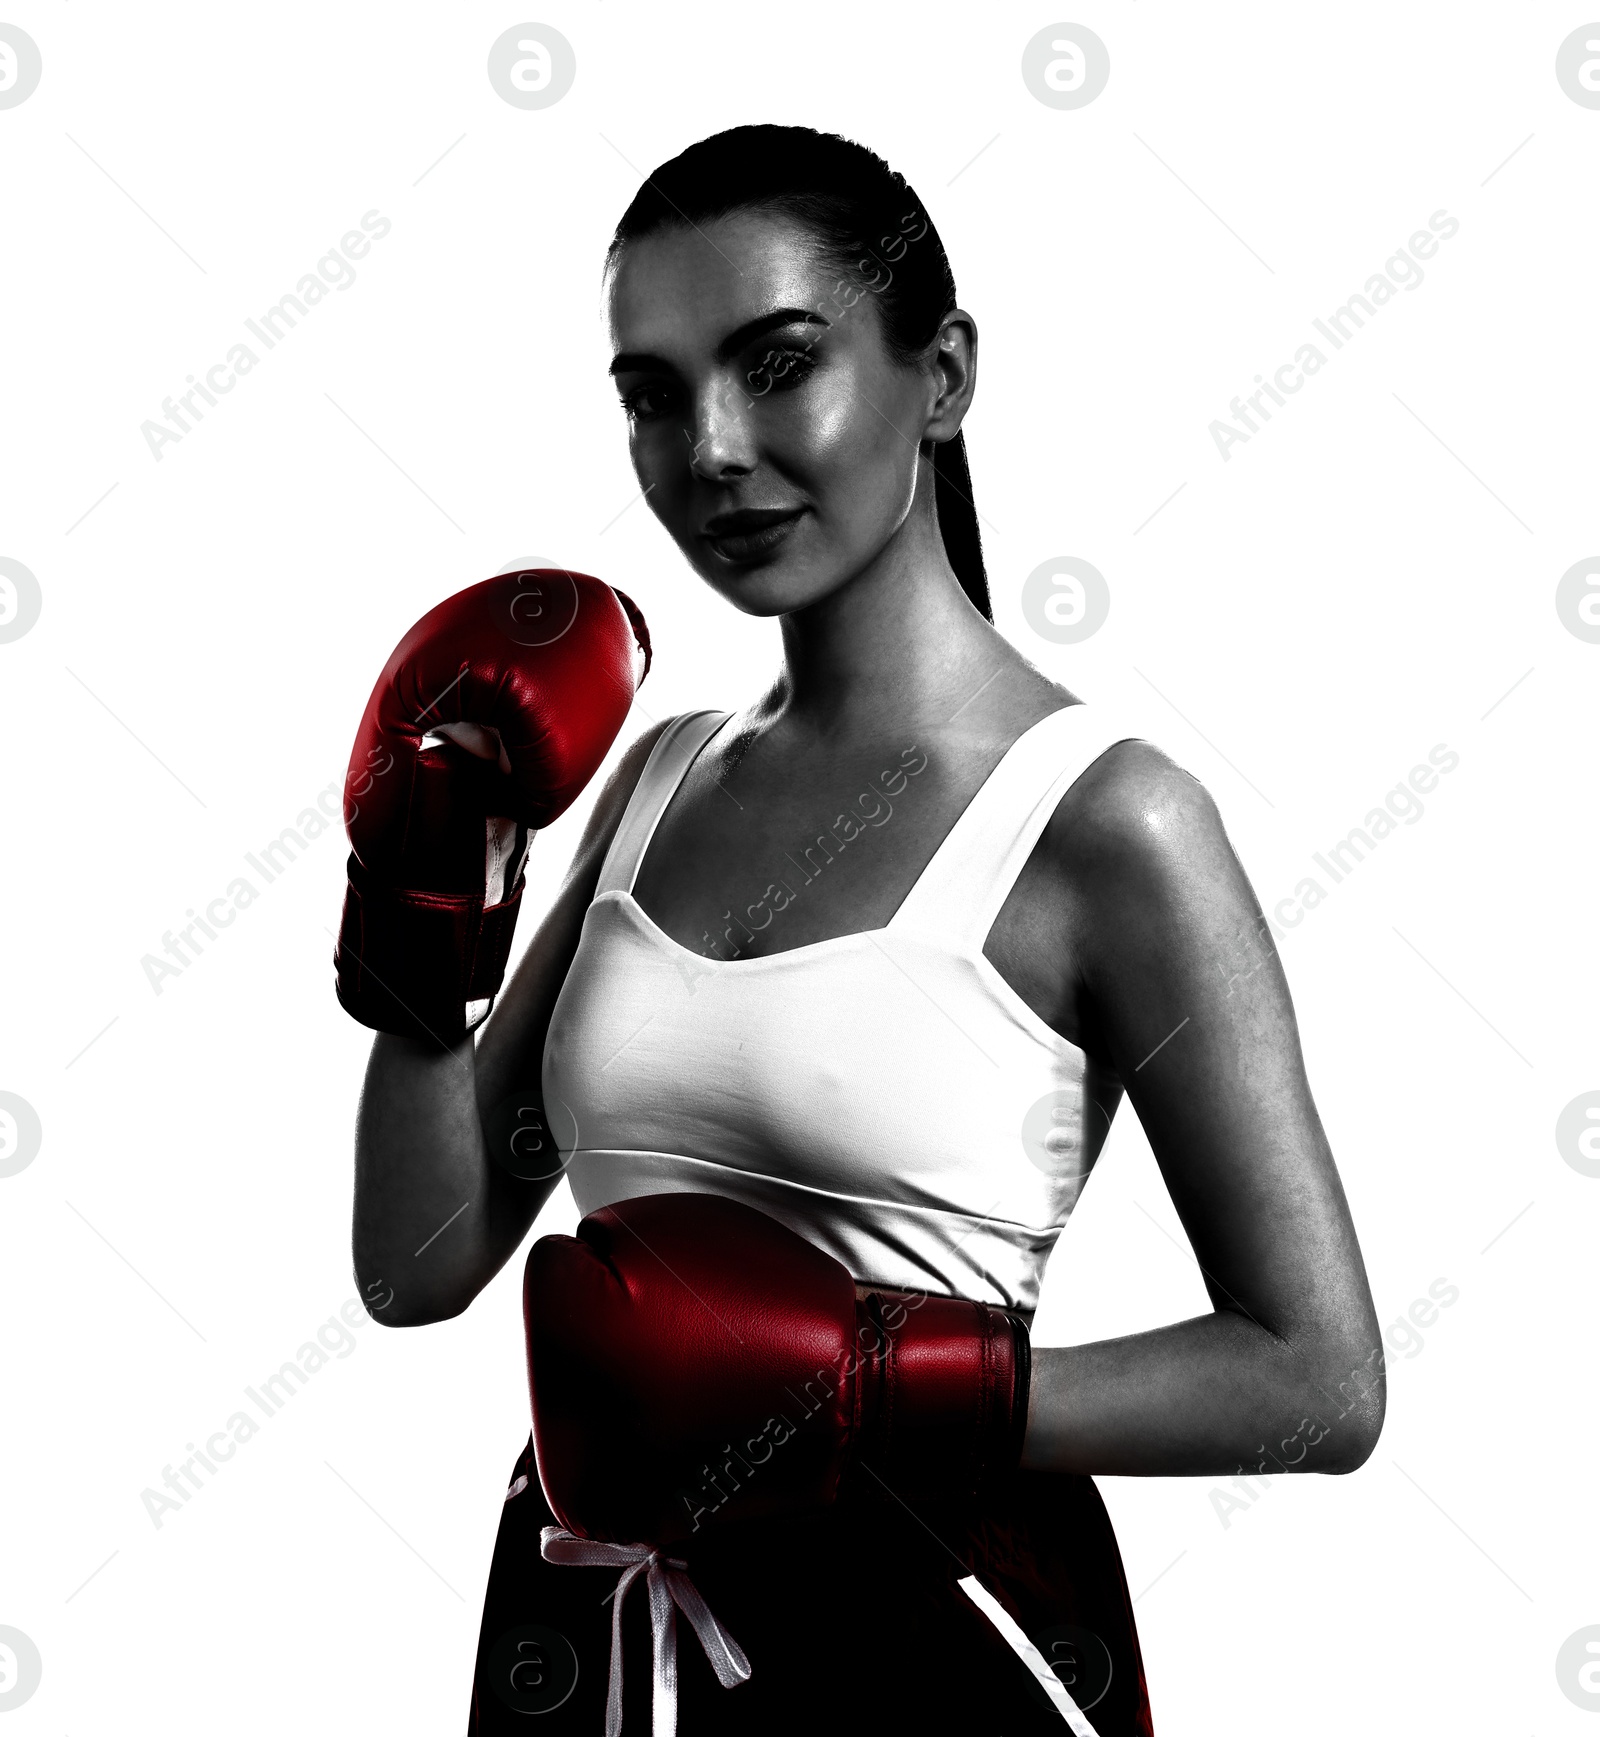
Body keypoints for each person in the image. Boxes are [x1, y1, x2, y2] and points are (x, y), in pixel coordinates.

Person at [346, 125, 1384, 1735]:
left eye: (778, 365)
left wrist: (869, 1395)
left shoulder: (1106, 822)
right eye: (650, 393)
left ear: (943, 373)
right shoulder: (657, 778)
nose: (711, 446)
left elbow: (1318, 1380)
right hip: (593, 1620)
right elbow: (418, 1270)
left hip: (938, 1632)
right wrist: (422, 904)